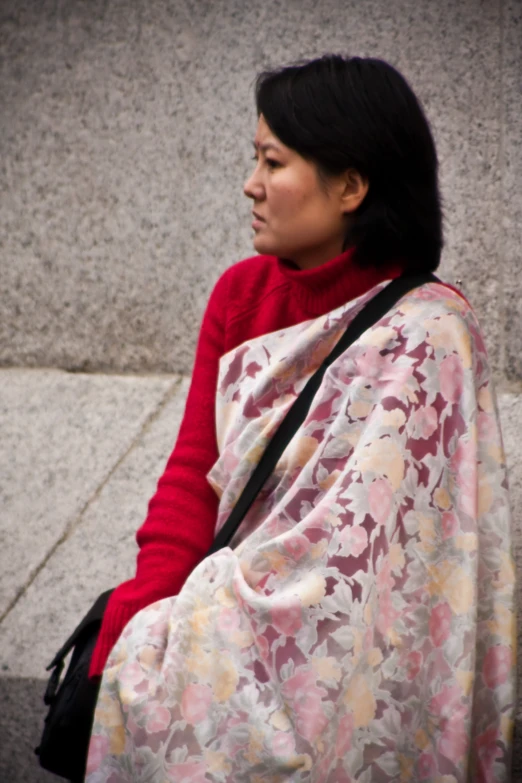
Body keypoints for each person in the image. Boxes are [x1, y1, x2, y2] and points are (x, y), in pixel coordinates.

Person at [86, 55, 515, 782]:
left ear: (351, 185)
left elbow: (411, 560)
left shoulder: (432, 332)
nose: (250, 185)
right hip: (228, 635)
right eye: (254, 158)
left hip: (363, 668)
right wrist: (138, 615)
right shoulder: (240, 297)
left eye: (273, 162)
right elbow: (196, 475)